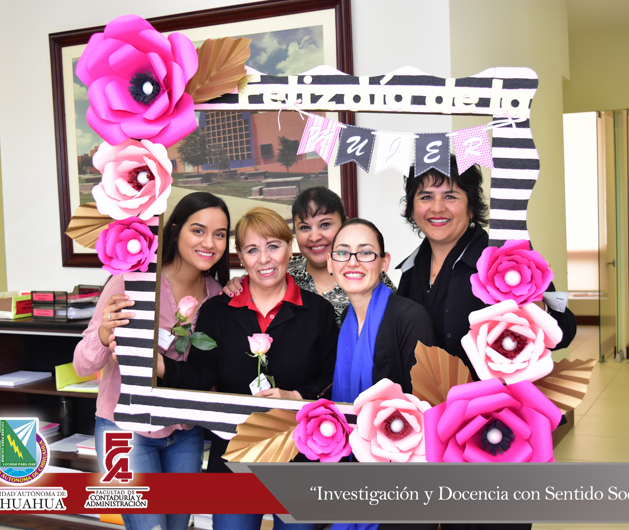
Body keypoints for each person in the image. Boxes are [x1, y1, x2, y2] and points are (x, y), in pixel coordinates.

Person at [396, 158, 576, 530]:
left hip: (498, 427)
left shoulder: (504, 256)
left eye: (451, 195)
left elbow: (566, 328)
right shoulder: (411, 270)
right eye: (425, 196)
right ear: (412, 208)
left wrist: (536, 308)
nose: (437, 207)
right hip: (437, 428)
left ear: (471, 205)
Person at [157, 206, 337, 530]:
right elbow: (203, 376)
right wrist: (162, 368)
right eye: (252, 250)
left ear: (290, 248)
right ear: (240, 256)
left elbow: (331, 377)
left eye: (274, 246)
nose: (264, 259)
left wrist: (296, 396)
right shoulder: (217, 311)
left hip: (298, 452)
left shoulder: (318, 312)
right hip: (235, 454)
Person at [73, 192, 231, 530]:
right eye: (198, 230)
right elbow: (82, 365)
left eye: (219, 234)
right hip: (124, 429)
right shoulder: (132, 282)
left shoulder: (218, 297)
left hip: (184, 432)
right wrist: (105, 333)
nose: (209, 243)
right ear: (174, 230)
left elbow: (210, 374)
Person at [225, 186, 396, 325]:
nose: (314, 237)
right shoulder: (283, 274)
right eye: (305, 227)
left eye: (325, 224)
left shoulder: (367, 274)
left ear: (345, 225)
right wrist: (238, 284)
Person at [328, 218, 435, 400]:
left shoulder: (410, 317)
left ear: (384, 263)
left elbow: (427, 401)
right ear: (330, 263)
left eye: (365, 252)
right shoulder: (347, 317)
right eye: (342, 252)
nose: (352, 262)